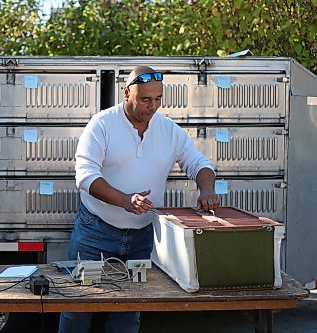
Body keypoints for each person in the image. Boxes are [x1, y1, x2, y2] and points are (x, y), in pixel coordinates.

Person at [58, 66, 219, 333]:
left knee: (128, 314)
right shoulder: (102, 124)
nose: (152, 106)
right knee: (78, 308)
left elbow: (198, 163)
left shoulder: (169, 130)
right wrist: (124, 200)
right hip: (94, 231)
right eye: (145, 99)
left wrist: (206, 189)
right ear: (126, 93)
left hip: (142, 237)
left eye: (158, 99)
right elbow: (85, 176)